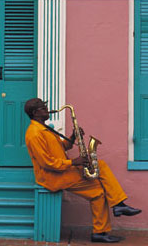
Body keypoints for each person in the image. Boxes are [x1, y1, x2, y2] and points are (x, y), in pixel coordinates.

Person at [24, 98, 141, 243]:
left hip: (62, 171)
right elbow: (46, 163)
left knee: (98, 189)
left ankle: (101, 232)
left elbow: (62, 147)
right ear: (36, 113)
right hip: (53, 177)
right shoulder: (34, 134)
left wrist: (73, 137)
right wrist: (74, 162)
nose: (47, 110)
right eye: (44, 108)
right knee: (101, 172)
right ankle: (118, 205)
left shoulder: (45, 128)